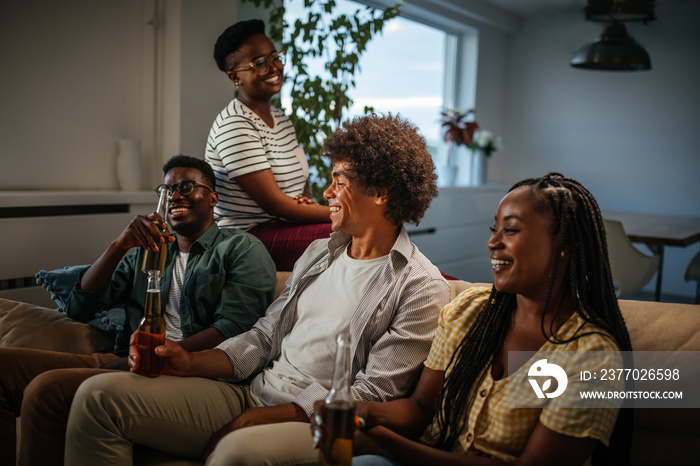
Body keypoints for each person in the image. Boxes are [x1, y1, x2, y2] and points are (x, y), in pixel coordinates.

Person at [64, 114, 451, 465]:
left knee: (236, 453)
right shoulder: (320, 253)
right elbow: (265, 337)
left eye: (339, 182)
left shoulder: (420, 286)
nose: (328, 193)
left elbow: (373, 393)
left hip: (318, 422)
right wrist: (188, 361)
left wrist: (260, 418)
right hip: (250, 391)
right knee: (98, 396)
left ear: (381, 193)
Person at [318, 173, 633, 465]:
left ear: (564, 245)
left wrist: (386, 444)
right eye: (494, 230)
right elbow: (421, 409)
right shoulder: (469, 310)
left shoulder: (592, 358)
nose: (492, 243)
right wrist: (362, 411)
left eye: (510, 230)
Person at [0, 155, 276, 466]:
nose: (176, 196)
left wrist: (158, 357)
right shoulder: (151, 250)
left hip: (187, 370)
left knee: (45, 390)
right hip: (124, 357)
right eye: (168, 190)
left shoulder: (241, 248)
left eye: (187, 186)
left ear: (213, 197)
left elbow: (236, 327)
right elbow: (81, 307)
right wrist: (120, 245)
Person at [206, 19, 333, 271]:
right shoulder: (234, 124)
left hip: (282, 226)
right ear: (235, 76)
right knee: (354, 231)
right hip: (246, 238)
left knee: (365, 228)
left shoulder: (282, 120)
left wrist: (309, 205)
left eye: (275, 57)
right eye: (260, 63)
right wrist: (342, 213)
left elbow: (302, 184)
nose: (274, 67)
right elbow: (274, 204)